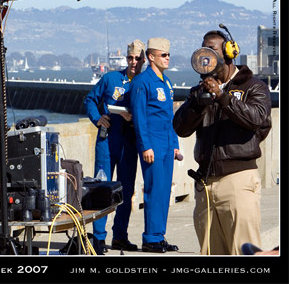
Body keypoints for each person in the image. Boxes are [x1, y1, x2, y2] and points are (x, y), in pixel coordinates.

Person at [173, 30, 272, 255]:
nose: (205, 56)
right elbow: (180, 128)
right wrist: (197, 104)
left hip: (238, 181)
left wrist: (223, 97)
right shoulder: (199, 91)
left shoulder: (253, 87)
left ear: (229, 53)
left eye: (212, 50)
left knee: (243, 251)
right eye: (203, 49)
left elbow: (257, 119)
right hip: (206, 184)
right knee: (210, 253)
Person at [84, 39, 146, 252]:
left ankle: (120, 236)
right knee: (101, 189)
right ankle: (98, 238)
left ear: (144, 60)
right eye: (130, 58)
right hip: (106, 143)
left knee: (125, 192)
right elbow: (90, 99)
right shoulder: (110, 79)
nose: (133, 62)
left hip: (129, 145)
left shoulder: (145, 83)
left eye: (137, 59)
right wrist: (97, 118)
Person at [128, 37, 181, 253]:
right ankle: (150, 237)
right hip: (153, 143)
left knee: (163, 191)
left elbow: (169, 116)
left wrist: (175, 144)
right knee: (153, 189)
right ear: (151, 57)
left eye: (168, 55)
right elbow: (139, 117)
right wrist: (145, 146)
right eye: (163, 55)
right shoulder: (142, 82)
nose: (167, 58)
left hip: (167, 142)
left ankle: (159, 235)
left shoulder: (165, 82)